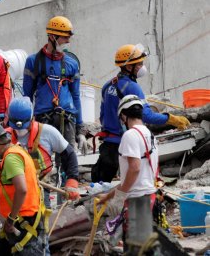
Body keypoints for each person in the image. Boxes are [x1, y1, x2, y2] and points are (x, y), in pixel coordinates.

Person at [91, 44, 189, 182]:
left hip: (108, 144)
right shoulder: (133, 87)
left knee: (100, 184)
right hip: (127, 143)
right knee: (134, 181)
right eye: (139, 64)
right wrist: (170, 119)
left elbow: (102, 116)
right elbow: (146, 116)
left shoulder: (108, 85)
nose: (142, 67)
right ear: (129, 67)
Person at [0, 121, 49, 255]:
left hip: (23, 221)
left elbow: (22, 189)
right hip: (17, 221)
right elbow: (5, 190)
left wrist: (11, 218)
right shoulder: (14, 152)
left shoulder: (11, 158)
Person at [97, 95, 159, 248]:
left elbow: (135, 168)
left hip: (137, 204)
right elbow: (137, 176)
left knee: (135, 251)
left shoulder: (130, 135)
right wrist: (108, 196)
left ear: (124, 115)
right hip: (151, 199)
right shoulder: (150, 135)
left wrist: (120, 196)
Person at [6, 97, 80, 205]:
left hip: (40, 186)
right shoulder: (5, 138)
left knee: (43, 218)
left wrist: (72, 180)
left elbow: (69, 155)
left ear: (32, 118)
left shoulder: (47, 132)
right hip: (15, 188)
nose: (20, 131)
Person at [22, 16, 82, 146]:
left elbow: (76, 96)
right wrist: (26, 122)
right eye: (65, 38)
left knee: (69, 162)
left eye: (69, 38)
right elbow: (27, 95)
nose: (68, 41)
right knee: (43, 162)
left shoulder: (72, 64)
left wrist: (80, 130)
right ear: (52, 37)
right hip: (43, 121)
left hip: (67, 119)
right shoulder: (33, 61)